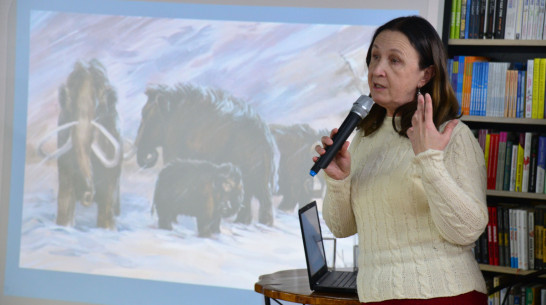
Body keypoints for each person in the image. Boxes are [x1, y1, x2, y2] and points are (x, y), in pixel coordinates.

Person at [313, 16, 488, 304]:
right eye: (375, 57)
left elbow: (467, 231)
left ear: (425, 75)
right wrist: (338, 181)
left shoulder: (452, 135)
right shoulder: (364, 135)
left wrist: (429, 160)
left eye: (395, 61)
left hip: (442, 296)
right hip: (376, 295)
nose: (377, 70)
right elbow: (342, 228)